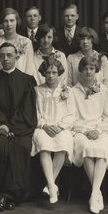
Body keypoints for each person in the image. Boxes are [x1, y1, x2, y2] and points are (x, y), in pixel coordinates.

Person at [0, 43, 37, 211]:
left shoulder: (27, 80)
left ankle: (9, 195)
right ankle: (0, 195)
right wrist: (2, 125)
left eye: (9, 55)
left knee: (20, 146)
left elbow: (28, 108)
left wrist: (13, 127)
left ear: (17, 57)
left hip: (21, 128)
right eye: (3, 56)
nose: (6, 59)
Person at [31, 57, 75, 204]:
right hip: (43, 127)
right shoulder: (37, 90)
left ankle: (50, 184)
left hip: (60, 127)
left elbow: (71, 113)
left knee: (63, 143)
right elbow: (35, 112)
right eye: (48, 72)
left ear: (59, 74)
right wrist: (44, 125)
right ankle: (52, 185)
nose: (50, 75)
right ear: (43, 73)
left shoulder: (67, 91)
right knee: (44, 145)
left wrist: (60, 126)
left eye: (54, 72)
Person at [71, 56, 108, 214]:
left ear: (96, 71)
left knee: (101, 149)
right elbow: (72, 117)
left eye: (92, 69)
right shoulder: (73, 91)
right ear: (80, 70)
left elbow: (107, 117)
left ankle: (94, 193)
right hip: (81, 132)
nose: (88, 72)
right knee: (87, 148)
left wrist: (98, 130)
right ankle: (97, 194)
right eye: (85, 68)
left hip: (99, 131)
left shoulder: (102, 90)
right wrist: (84, 131)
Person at [0, 8, 34, 76]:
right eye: (5, 21)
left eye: (12, 20)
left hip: (21, 82)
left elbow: (29, 68)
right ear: (2, 24)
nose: (9, 24)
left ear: (17, 22)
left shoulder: (26, 42)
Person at [67, 27, 108, 92]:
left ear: (93, 40)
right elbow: (68, 82)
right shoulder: (71, 58)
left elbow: (106, 83)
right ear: (79, 41)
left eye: (89, 38)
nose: (85, 42)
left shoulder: (102, 58)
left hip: (98, 96)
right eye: (82, 39)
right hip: (77, 97)